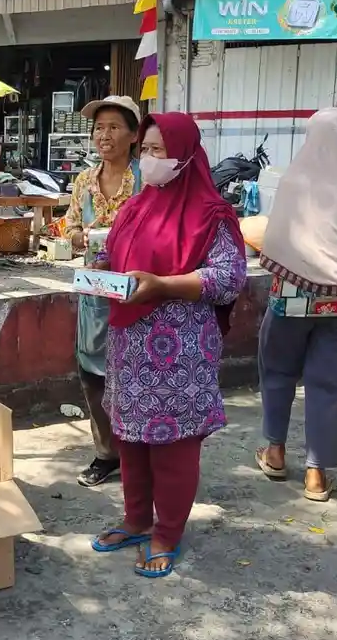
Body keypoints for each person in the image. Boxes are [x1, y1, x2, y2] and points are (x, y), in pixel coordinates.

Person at [90, 113, 247, 579]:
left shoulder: (211, 213)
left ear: (184, 156)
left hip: (179, 352)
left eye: (160, 150)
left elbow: (228, 277)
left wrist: (162, 284)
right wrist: (100, 269)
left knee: (173, 446)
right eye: (146, 149)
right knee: (131, 439)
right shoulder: (136, 207)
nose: (149, 159)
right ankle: (137, 519)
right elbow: (118, 259)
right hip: (130, 346)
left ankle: (168, 532)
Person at [254, 108, 337, 502]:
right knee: (332, 381)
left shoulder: (296, 176)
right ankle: (316, 473)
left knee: (277, 369)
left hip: (294, 294)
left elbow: (276, 233)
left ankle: (275, 452)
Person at [62, 95, 142, 488]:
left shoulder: (146, 181)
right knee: (93, 373)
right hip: (95, 293)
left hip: (138, 291)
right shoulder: (84, 181)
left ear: (133, 135)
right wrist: (82, 237)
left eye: (113, 127)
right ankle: (105, 453)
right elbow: (69, 226)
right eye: (99, 128)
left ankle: (137, 453)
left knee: (134, 372)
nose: (104, 135)